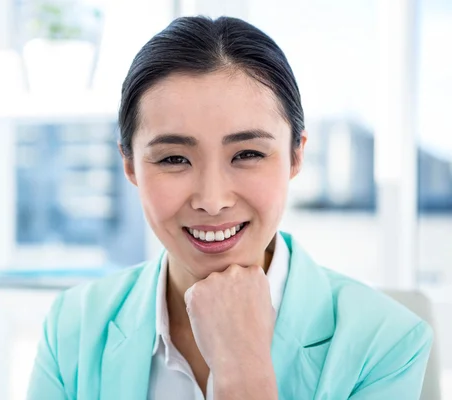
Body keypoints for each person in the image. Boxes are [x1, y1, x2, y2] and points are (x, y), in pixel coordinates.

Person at [27, 16, 433, 400]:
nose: (212, 199)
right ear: (130, 166)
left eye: (248, 154)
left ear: (296, 157)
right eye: (173, 159)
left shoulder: (387, 344)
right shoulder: (73, 328)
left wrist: (242, 367)